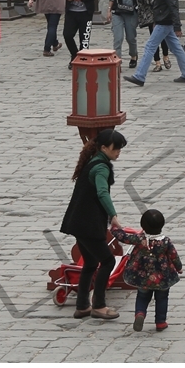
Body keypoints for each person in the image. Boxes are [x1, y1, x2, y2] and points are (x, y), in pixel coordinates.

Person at [60, 130, 129, 319]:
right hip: (88, 223)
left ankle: (83, 305)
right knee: (107, 261)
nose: (119, 152)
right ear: (104, 148)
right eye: (116, 149)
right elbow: (102, 193)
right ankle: (99, 305)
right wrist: (113, 215)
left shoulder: (93, 161)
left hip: (78, 221)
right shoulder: (101, 168)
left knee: (90, 262)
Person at [124, 207, 182, 332]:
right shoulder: (165, 241)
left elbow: (124, 237)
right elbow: (174, 255)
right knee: (162, 298)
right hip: (162, 279)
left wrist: (115, 229)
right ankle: (160, 322)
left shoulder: (140, 239)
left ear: (142, 225)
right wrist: (179, 268)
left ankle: (140, 313)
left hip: (143, 277)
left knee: (142, 296)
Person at [105, 0, 143, 68]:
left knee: (131, 37)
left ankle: (133, 55)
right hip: (118, 12)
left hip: (132, 12)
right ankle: (117, 61)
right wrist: (109, 10)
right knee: (118, 37)